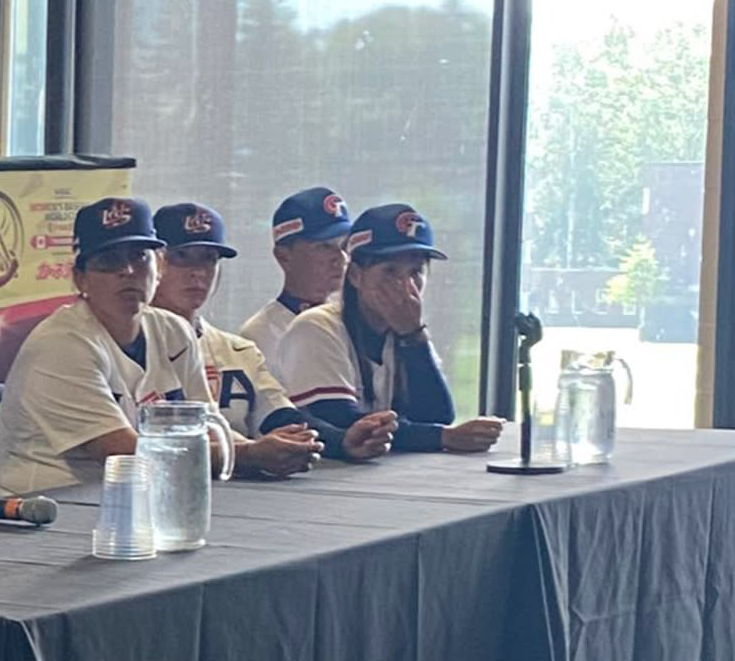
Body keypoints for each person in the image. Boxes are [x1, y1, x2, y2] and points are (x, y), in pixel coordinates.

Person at [0, 196, 226, 495]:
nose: (127, 271)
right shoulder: (60, 344)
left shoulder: (174, 331)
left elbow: (209, 423)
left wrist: (250, 449)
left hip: (129, 497)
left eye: (139, 256)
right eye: (109, 261)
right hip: (37, 507)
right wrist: (244, 455)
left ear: (158, 265)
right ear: (80, 279)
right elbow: (123, 454)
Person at [263, 203, 506, 457]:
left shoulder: (406, 331)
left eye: (415, 272)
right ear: (356, 276)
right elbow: (340, 419)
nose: (405, 285)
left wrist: (414, 335)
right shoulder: (315, 326)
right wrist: (442, 437)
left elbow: (437, 414)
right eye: (390, 272)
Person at [147, 201, 345, 471]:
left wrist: (339, 441)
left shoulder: (238, 350)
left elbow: (280, 414)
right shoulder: (128, 345)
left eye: (209, 258)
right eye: (182, 256)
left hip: (240, 494)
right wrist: (251, 452)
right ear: (154, 262)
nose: (198, 272)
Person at [235, 186, 353, 351]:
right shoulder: (261, 336)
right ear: (284, 256)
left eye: (344, 245)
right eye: (324, 246)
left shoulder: (360, 322)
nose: (341, 257)